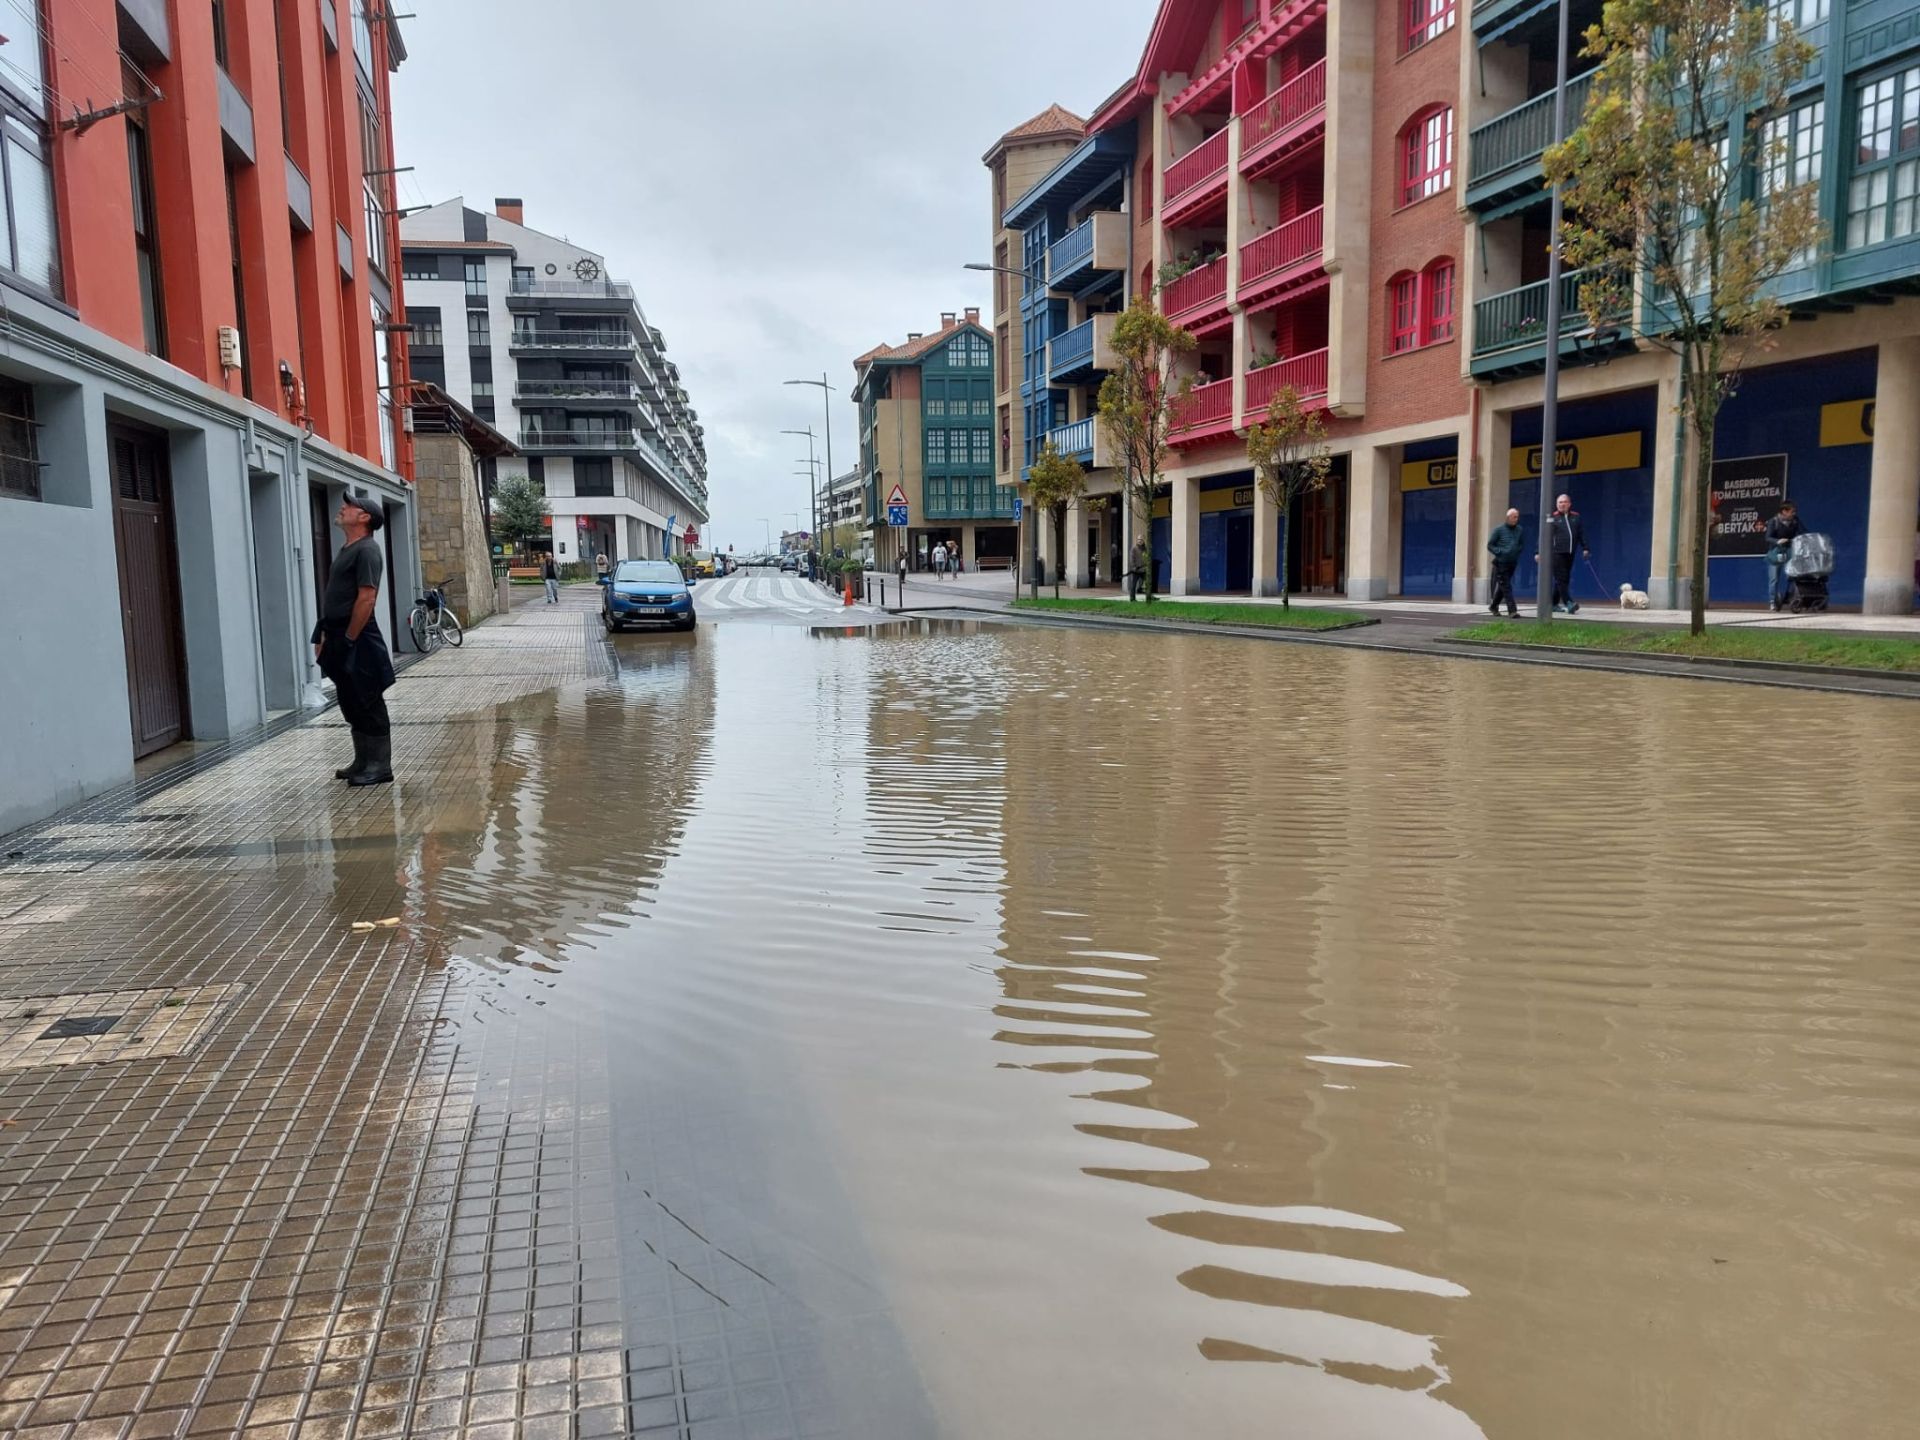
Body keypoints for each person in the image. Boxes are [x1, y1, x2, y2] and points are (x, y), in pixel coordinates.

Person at [312, 493, 396, 786]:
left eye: (349, 506)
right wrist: (323, 634)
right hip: (338, 634)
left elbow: (366, 597)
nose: (342, 507)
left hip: (358, 636)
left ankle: (379, 765)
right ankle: (362, 760)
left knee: (367, 697)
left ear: (364, 518)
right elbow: (337, 596)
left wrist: (349, 637)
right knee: (350, 699)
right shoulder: (347, 548)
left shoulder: (368, 550)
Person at [1545, 493, 1589, 614]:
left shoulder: (1576, 517)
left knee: (1563, 579)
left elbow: (1581, 534)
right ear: (1556, 504)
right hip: (1556, 553)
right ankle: (1569, 603)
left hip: (1570, 553)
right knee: (1561, 579)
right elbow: (1544, 536)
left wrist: (1585, 548)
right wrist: (1538, 551)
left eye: (1564, 502)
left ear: (1569, 504)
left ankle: (1553, 604)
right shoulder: (1552, 518)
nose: (1562, 504)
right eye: (1560, 502)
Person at [1764, 501, 1802, 611]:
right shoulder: (1774, 521)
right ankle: (1772, 601)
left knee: (1792, 575)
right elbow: (1768, 537)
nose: (1793, 514)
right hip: (1776, 552)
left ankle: (1790, 597)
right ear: (1784, 511)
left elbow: (1800, 533)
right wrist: (1778, 541)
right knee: (1774, 578)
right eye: (1791, 511)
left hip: (1789, 550)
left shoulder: (1795, 521)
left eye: (1794, 512)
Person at [1487, 508, 1525, 618]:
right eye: (1514, 517)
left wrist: (1517, 551)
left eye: (1517, 517)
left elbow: (1521, 544)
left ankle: (1494, 606)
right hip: (1500, 563)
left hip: (1512, 562)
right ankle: (1512, 610)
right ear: (1508, 518)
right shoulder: (1499, 530)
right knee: (1507, 586)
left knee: (1503, 587)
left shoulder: (1519, 530)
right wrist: (1500, 552)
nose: (1516, 519)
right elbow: (1490, 545)